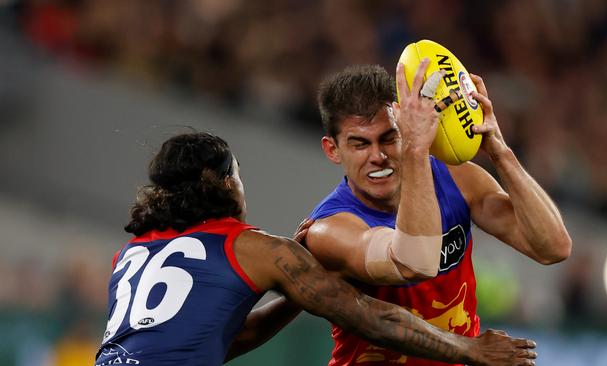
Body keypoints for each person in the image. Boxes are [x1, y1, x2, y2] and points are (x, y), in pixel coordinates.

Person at [94, 132, 537, 366]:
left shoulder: (128, 257)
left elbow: (225, 340)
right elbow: (371, 318)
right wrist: (470, 351)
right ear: (228, 182)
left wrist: (295, 296)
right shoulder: (254, 248)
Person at [304, 59, 572, 365]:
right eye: (360, 144)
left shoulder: (457, 178)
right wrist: (415, 148)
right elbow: (415, 263)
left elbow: (554, 247)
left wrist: (500, 150)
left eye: (389, 138)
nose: (377, 156)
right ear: (332, 150)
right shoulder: (329, 230)